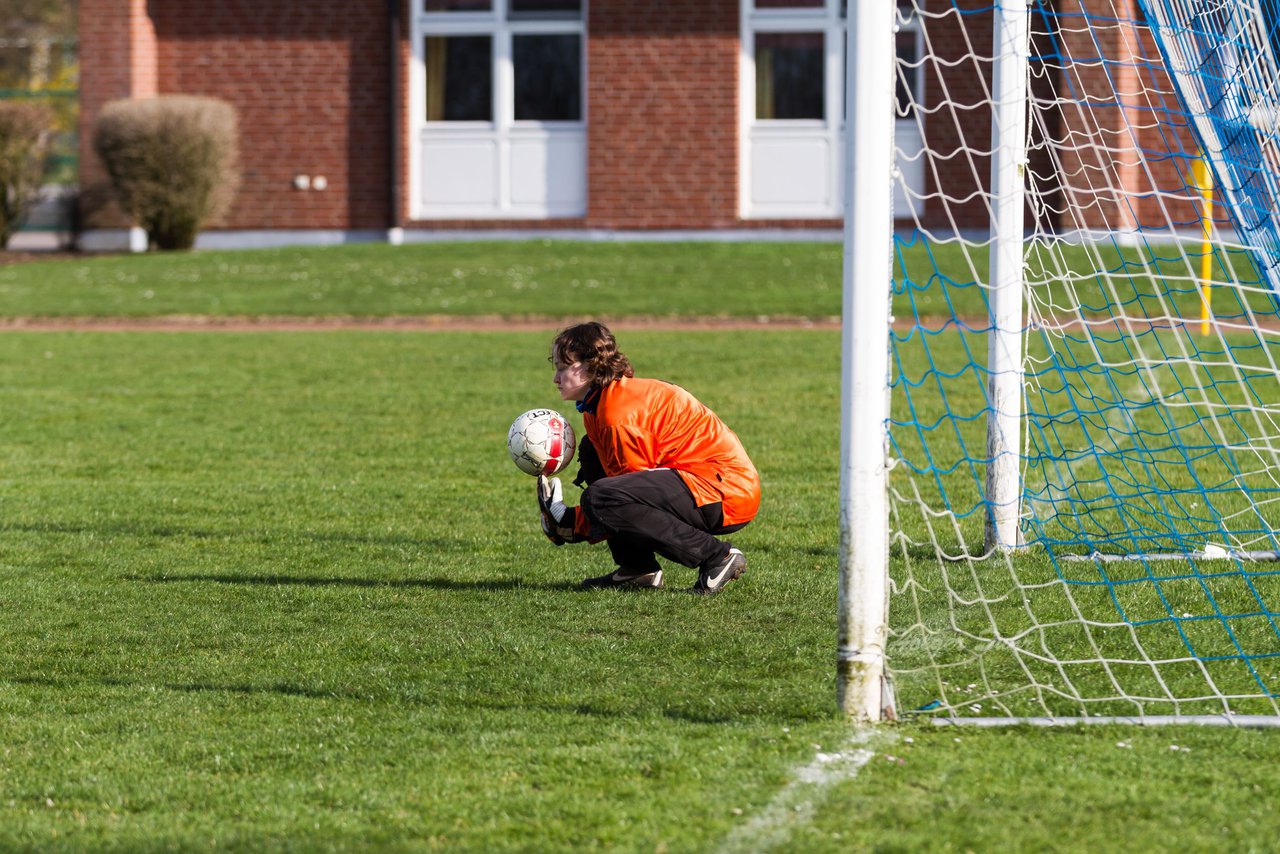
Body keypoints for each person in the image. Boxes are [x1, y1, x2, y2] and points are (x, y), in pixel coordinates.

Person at [536, 321, 761, 594]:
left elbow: (623, 496)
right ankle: (638, 569)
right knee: (592, 454)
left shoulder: (617, 414)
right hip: (707, 481)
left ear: (591, 365)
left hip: (726, 492)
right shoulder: (602, 404)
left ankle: (717, 557)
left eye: (562, 367)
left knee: (603, 498)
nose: (555, 378)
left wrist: (571, 523)